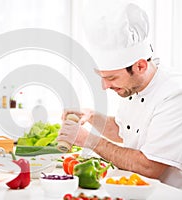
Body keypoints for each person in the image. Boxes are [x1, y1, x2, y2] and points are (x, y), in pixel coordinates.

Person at [57, 1, 182, 189]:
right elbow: (125, 129)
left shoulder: (174, 94)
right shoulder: (133, 85)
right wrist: (92, 116)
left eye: (111, 77)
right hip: (134, 189)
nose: (105, 86)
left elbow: (149, 166)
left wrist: (89, 140)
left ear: (140, 66)